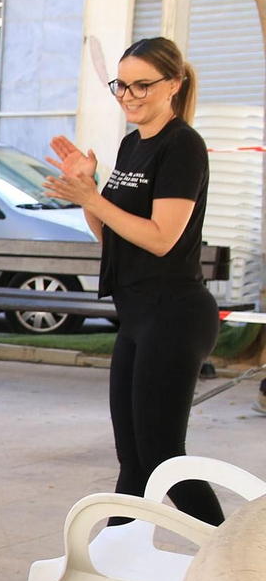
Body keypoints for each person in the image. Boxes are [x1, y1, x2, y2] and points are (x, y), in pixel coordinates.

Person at [44, 38, 223, 524]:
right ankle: (110, 563)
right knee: (135, 462)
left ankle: (239, 564)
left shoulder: (182, 145)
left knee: (166, 458)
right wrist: (88, 191)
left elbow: (163, 238)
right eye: (121, 85)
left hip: (175, 312)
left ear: (174, 85)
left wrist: (94, 196)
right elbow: (112, 235)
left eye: (142, 84)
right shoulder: (131, 144)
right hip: (137, 313)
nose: (128, 95)